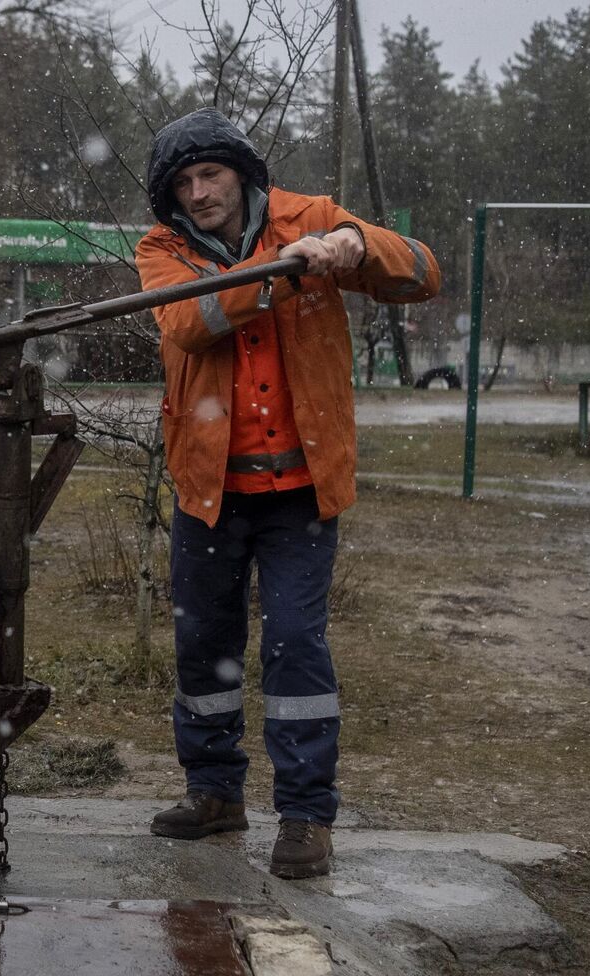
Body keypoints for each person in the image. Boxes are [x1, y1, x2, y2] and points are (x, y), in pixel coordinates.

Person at [135, 109, 441, 878]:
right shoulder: (161, 248)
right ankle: (214, 794)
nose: (200, 192)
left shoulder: (314, 217)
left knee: (296, 646)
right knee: (204, 644)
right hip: (210, 491)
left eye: (211, 175)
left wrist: (354, 245)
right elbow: (187, 320)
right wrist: (278, 273)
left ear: (240, 171)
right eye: (185, 182)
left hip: (301, 492)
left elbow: (422, 273)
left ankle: (306, 815)